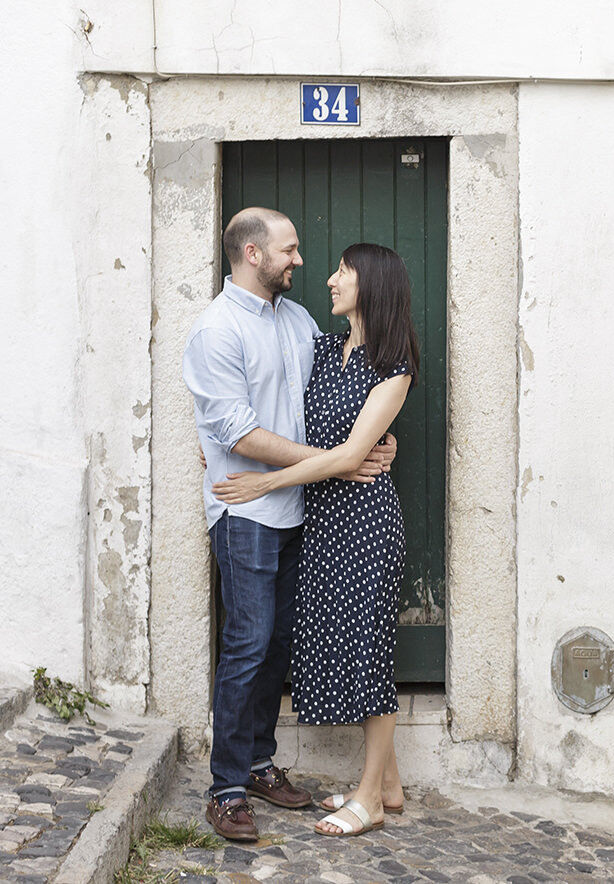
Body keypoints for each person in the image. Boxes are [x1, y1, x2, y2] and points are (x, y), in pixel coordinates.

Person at [184, 208, 396, 843]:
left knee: (277, 646)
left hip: (301, 508)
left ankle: (257, 763)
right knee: (248, 643)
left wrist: (378, 445)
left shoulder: (299, 320)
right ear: (254, 254)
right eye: (290, 250)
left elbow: (351, 392)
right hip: (244, 509)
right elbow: (240, 434)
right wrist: (340, 464)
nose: (300, 261)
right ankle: (225, 789)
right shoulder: (216, 331)